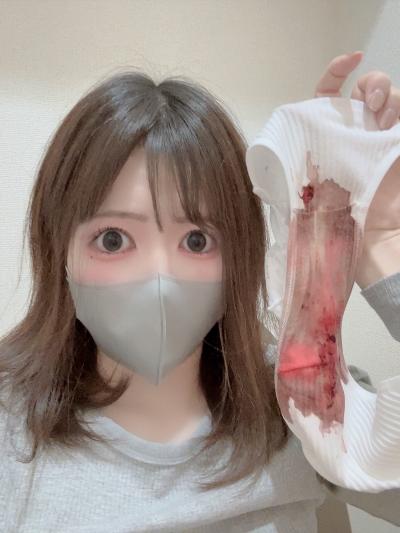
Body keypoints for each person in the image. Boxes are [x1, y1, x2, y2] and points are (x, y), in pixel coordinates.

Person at [0, 51, 399, 532]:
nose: (159, 279)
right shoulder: (10, 427)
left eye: (196, 240)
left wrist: (384, 243)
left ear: (241, 254)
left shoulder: (308, 396)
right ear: (58, 250)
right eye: (113, 240)